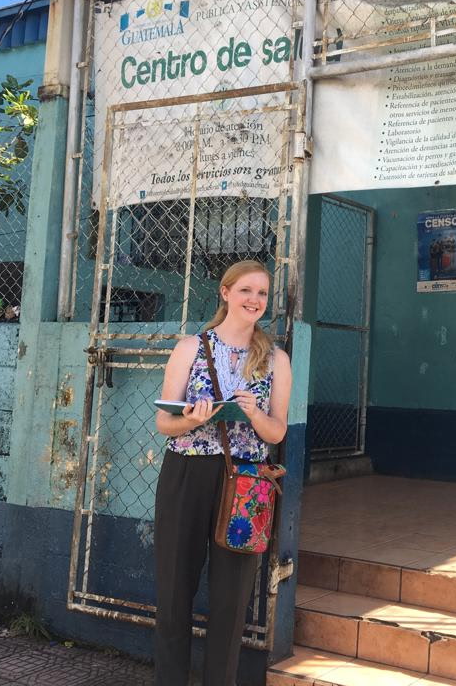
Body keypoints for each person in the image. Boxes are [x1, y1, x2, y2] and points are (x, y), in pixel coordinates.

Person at [153, 260, 292, 686]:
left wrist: (253, 414)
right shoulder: (190, 348)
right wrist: (194, 419)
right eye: (246, 290)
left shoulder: (275, 359)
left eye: (262, 294)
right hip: (187, 473)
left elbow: (277, 429)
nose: (254, 300)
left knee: (232, 597)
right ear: (226, 292)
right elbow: (165, 423)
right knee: (175, 588)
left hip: (247, 481)